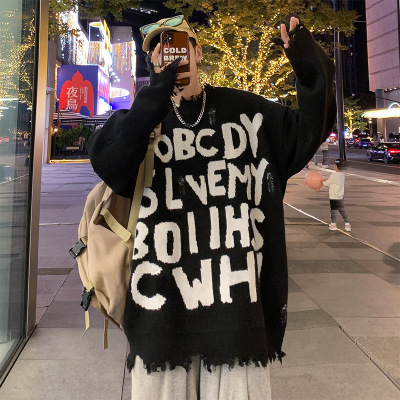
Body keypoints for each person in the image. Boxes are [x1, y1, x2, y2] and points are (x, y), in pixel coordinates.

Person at [87, 14, 336, 400]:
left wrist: (308, 62)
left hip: (236, 319)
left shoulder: (246, 112)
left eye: (178, 43)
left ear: (198, 52)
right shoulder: (140, 122)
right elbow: (109, 163)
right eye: (159, 49)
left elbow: (308, 130)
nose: (169, 54)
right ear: (152, 61)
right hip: (160, 319)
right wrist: (155, 97)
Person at [322, 159, 351, 232]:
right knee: (342, 210)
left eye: (335, 165)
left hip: (333, 197)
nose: (334, 166)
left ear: (337, 167)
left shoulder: (334, 175)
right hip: (340, 196)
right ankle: (347, 224)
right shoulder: (342, 175)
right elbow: (334, 183)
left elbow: (328, 183)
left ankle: (333, 224)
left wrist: (322, 181)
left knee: (333, 211)